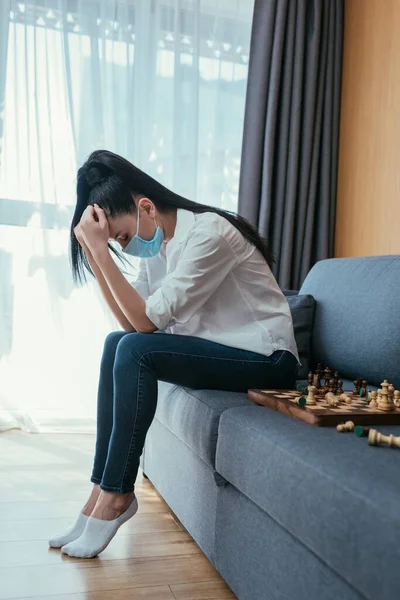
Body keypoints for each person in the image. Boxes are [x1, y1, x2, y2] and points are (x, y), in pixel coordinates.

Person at [49, 149, 299, 558]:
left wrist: (98, 251)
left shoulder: (209, 235)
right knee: (117, 345)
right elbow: (131, 326)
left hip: (268, 359)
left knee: (134, 351)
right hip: (223, 352)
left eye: (122, 238)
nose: (123, 249)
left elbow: (145, 327)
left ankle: (117, 496)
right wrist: (97, 256)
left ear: (145, 206)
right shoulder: (160, 246)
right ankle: (99, 491)